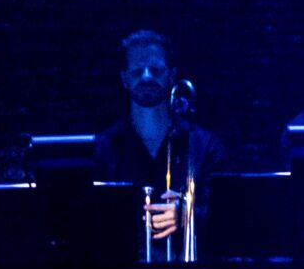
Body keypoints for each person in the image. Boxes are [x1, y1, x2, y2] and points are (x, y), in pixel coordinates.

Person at [90, 30, 227, 253]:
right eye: (137, 71)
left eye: (155, 70)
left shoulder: (205, 147)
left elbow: (226, 221)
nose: (146, 77)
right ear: (124, 79)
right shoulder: (103, 148)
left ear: (172, 75)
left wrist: (189, 215)